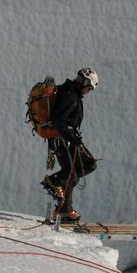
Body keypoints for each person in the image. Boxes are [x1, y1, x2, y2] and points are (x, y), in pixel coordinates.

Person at [41, 68, 98, 222]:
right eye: (89, 88)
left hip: (64, 139)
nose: (88, 91)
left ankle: (64, 208)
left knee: (80, 168)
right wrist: (73, 139)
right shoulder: (70, 96)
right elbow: (58, 121)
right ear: (85, 84)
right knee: (76, 170)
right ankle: (54, 183)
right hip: (63, 140)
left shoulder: (69, 92)